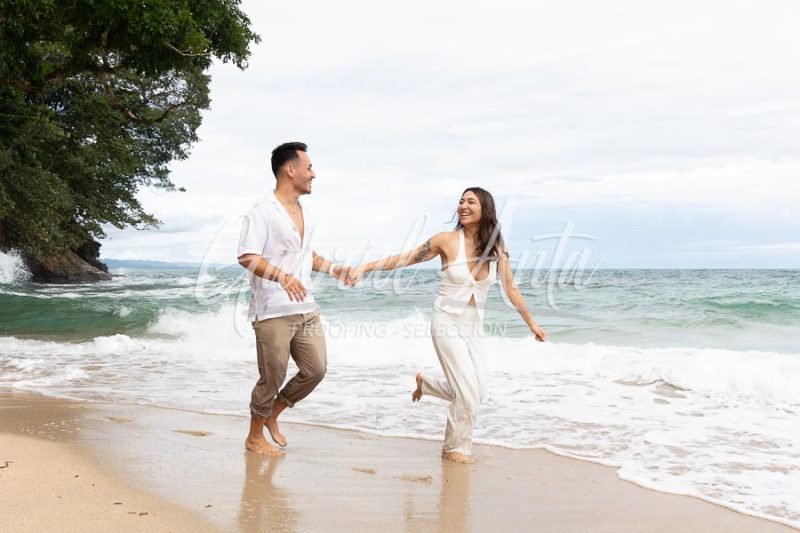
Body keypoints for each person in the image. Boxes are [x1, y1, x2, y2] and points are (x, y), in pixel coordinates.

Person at [346, 187, 547, 463]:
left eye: (471, 201)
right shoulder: (445, 241)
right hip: (446, 321)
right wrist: (364, 267)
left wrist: (531, 323)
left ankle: (427, 384)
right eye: (461, 201)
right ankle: (455, 449)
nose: (463, 206)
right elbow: (405, 259)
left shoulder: (497, 245)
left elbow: (510, 286)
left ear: (485, 208)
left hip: (473, 325)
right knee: (466, 392)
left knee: (478, 391)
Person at [237, 142, 349, 456]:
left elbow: (306, 256)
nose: (313, 174)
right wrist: (282, 276)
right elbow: (247, 256)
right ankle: (254, 437)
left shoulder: (306, 214)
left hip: (306, 308)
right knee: (271, 376)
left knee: (316, 369)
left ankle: (274, 413)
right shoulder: (261, 211)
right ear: (291, 170)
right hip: (272, 310)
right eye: (309, 167)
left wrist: (334, 269)